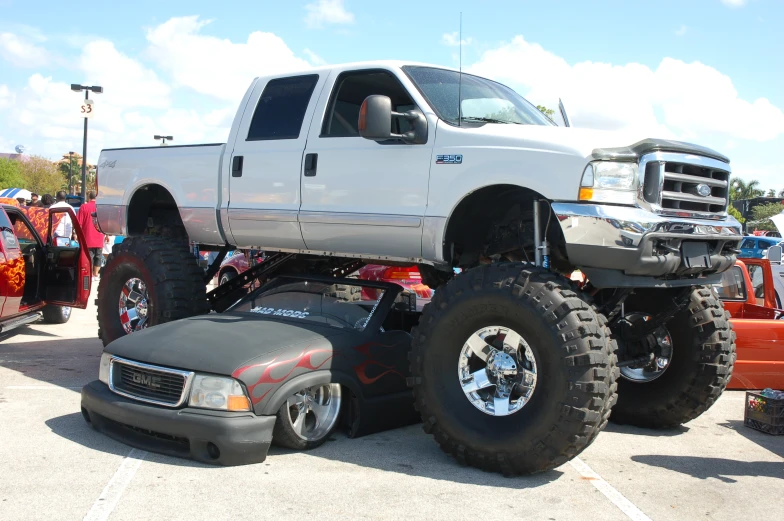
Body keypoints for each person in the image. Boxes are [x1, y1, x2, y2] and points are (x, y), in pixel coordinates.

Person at [77, 191, 105, 280]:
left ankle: (89, 275)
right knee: (98, 256)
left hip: (87, 237)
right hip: (100, 236)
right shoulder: (101, 207)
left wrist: (76, 235)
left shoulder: (84, 207)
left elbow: (79, 223)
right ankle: (95, 274)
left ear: (89, 197)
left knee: (89, 257)